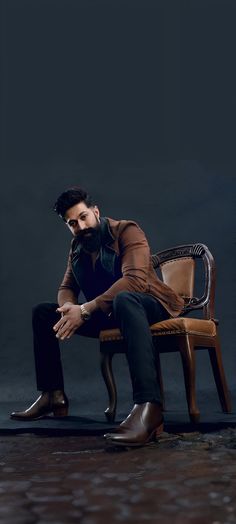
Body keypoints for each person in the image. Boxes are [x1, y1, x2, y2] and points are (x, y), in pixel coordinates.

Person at [11, 186, 184, 447]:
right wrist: (68, 309)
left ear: (95, 211)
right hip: (110, 311)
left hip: (150, 304)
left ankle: (149, 406)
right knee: (44, 313)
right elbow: (67, 288)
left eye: (83, 217)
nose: (80, 226)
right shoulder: (78, 245)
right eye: (72, 223)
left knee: (125, 299)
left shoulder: (127, 231)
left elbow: (135, 282)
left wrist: (84, 310)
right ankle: (52, 395)